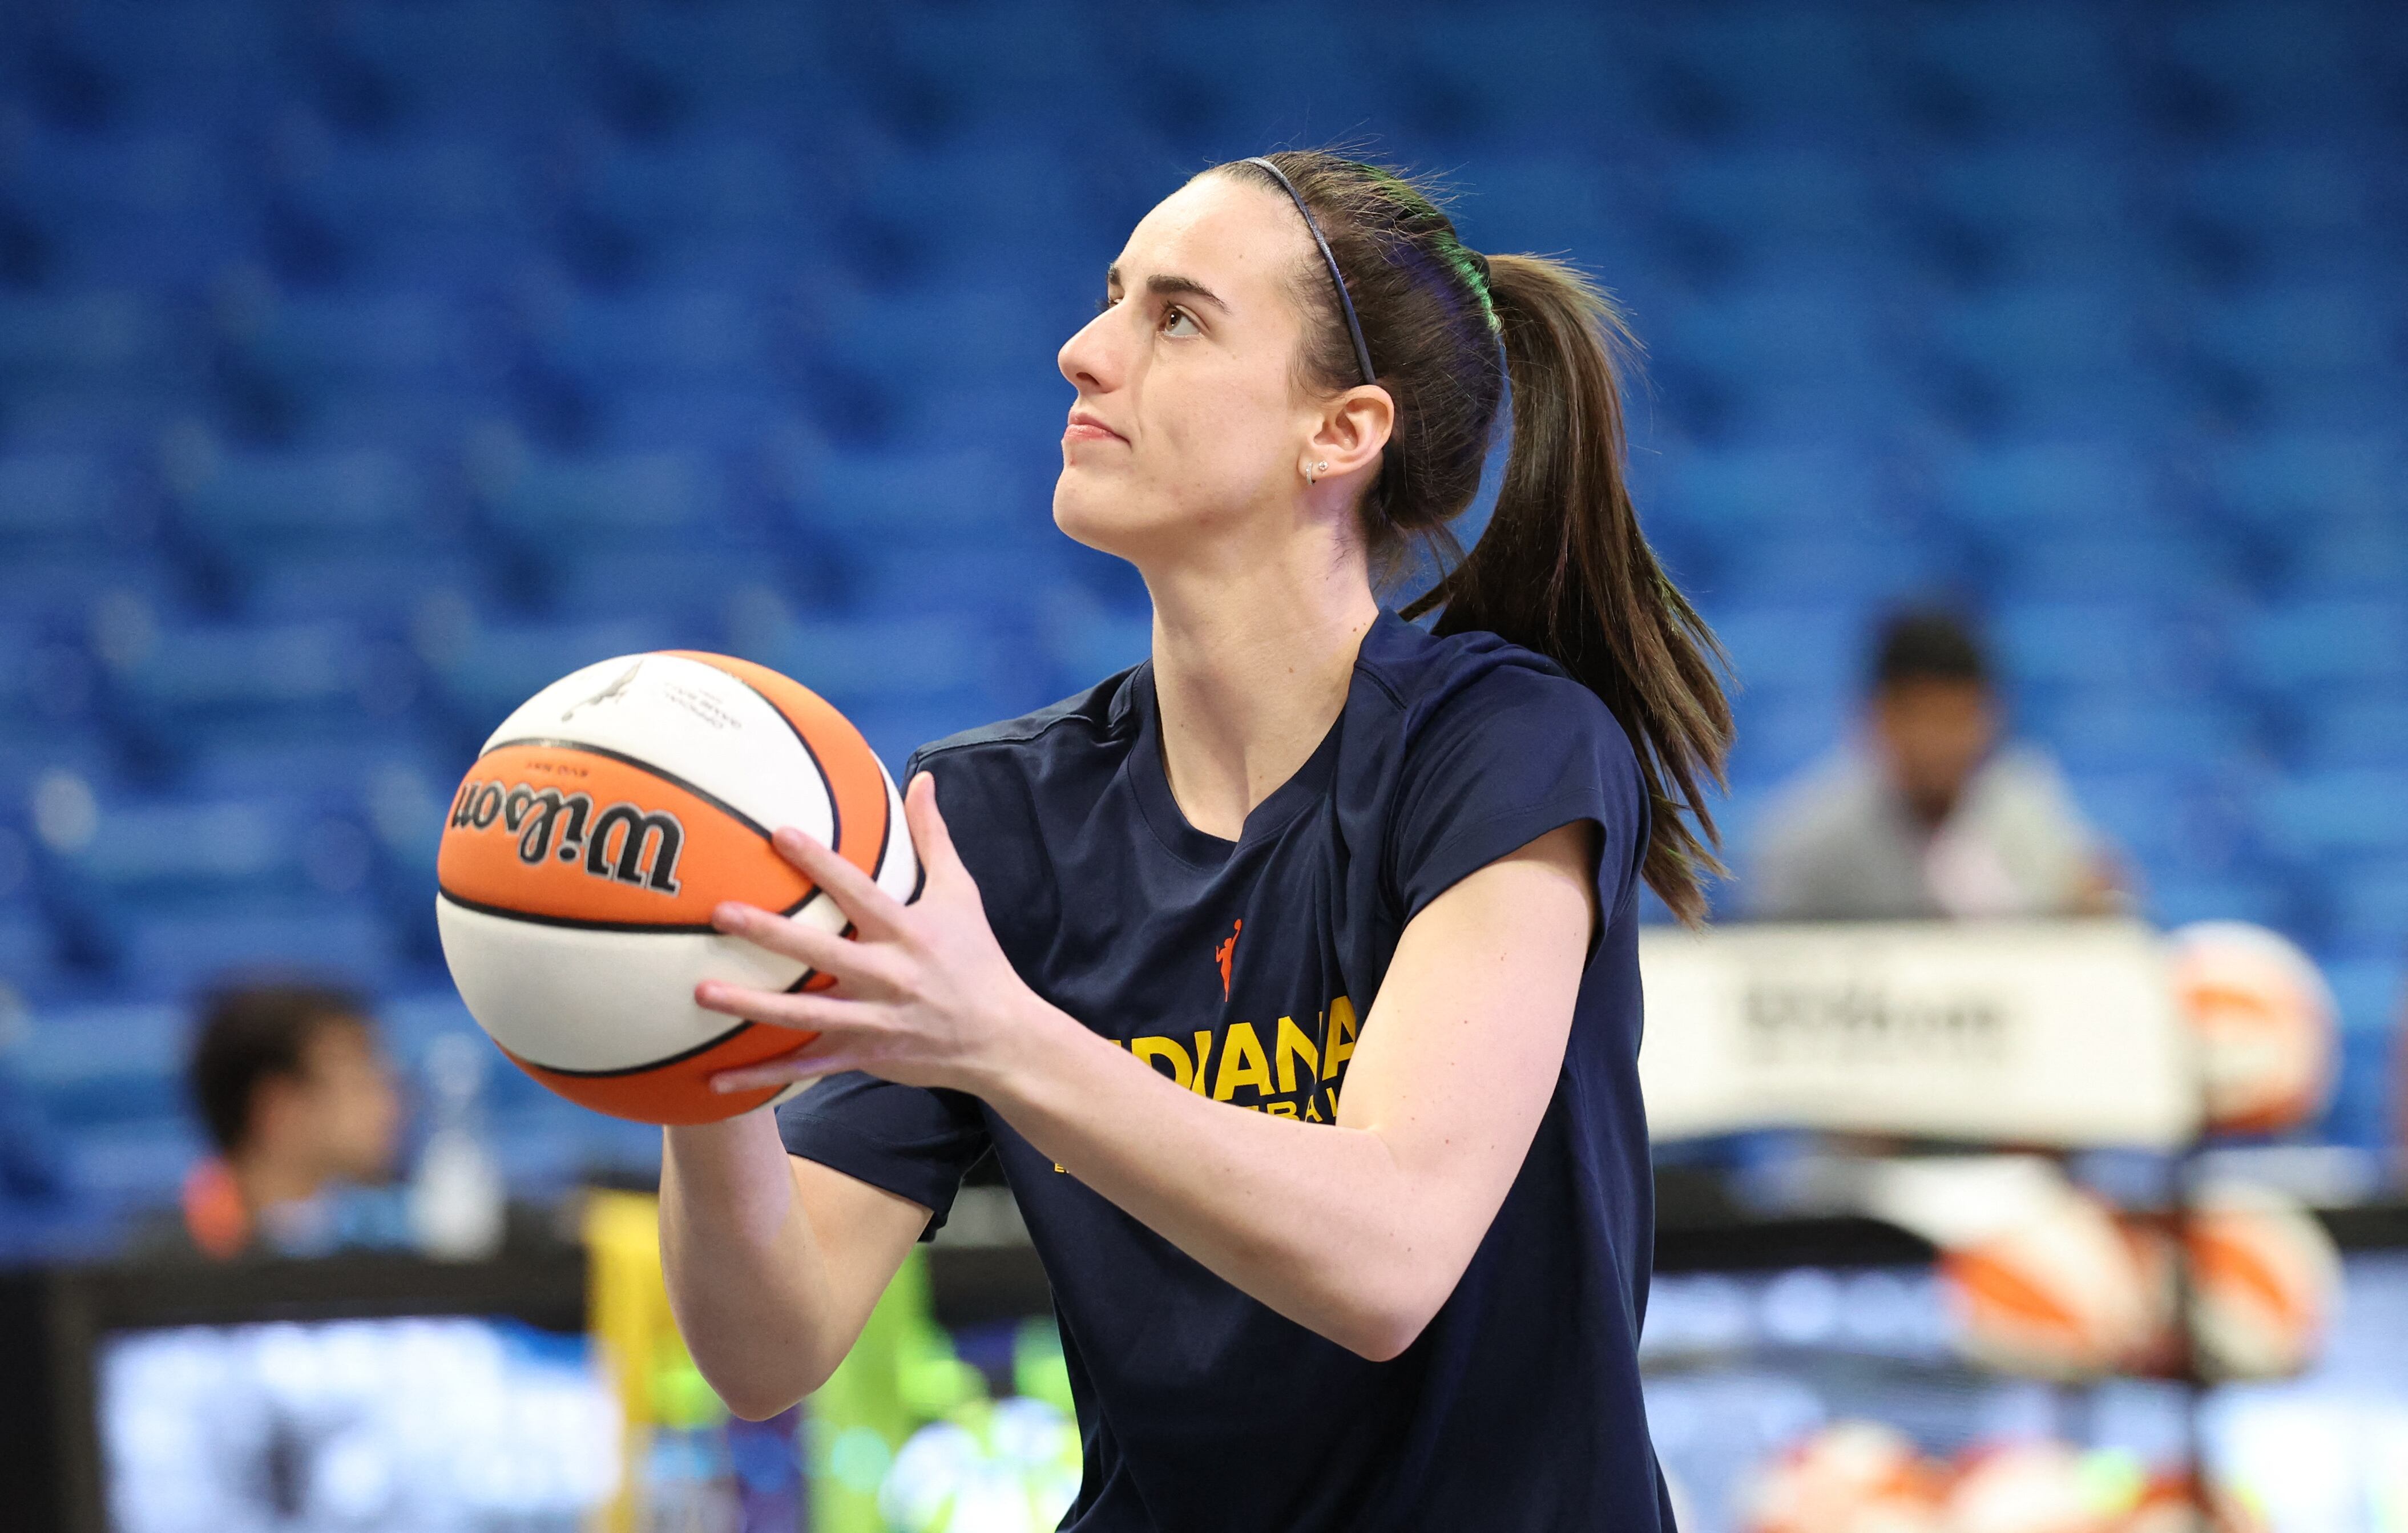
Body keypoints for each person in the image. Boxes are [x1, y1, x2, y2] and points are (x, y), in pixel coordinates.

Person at [659, 151, 1731, 1531]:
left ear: (1339, 432)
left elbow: (1386, 1256)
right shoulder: (990, 816)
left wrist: (1000, 1037)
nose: (1082, 350)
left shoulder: (1504, 745)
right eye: (1110, 298)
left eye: (1174, 315)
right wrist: (694, 1058)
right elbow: (767, 1347)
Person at [1749, 607, 2120, 922]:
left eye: (1955, 718)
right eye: (1919, 718)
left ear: (1991, 716)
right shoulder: (1811, 839)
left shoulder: (2027, 803)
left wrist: (2092, 909)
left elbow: (2086, 912)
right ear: (1878, 715)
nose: (1936, 743)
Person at [175, 980, 404, 1259]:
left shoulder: (390, 1246)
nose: (391, 1106)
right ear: (280, 1108)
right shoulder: (154, 1272)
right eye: (360, 1084)